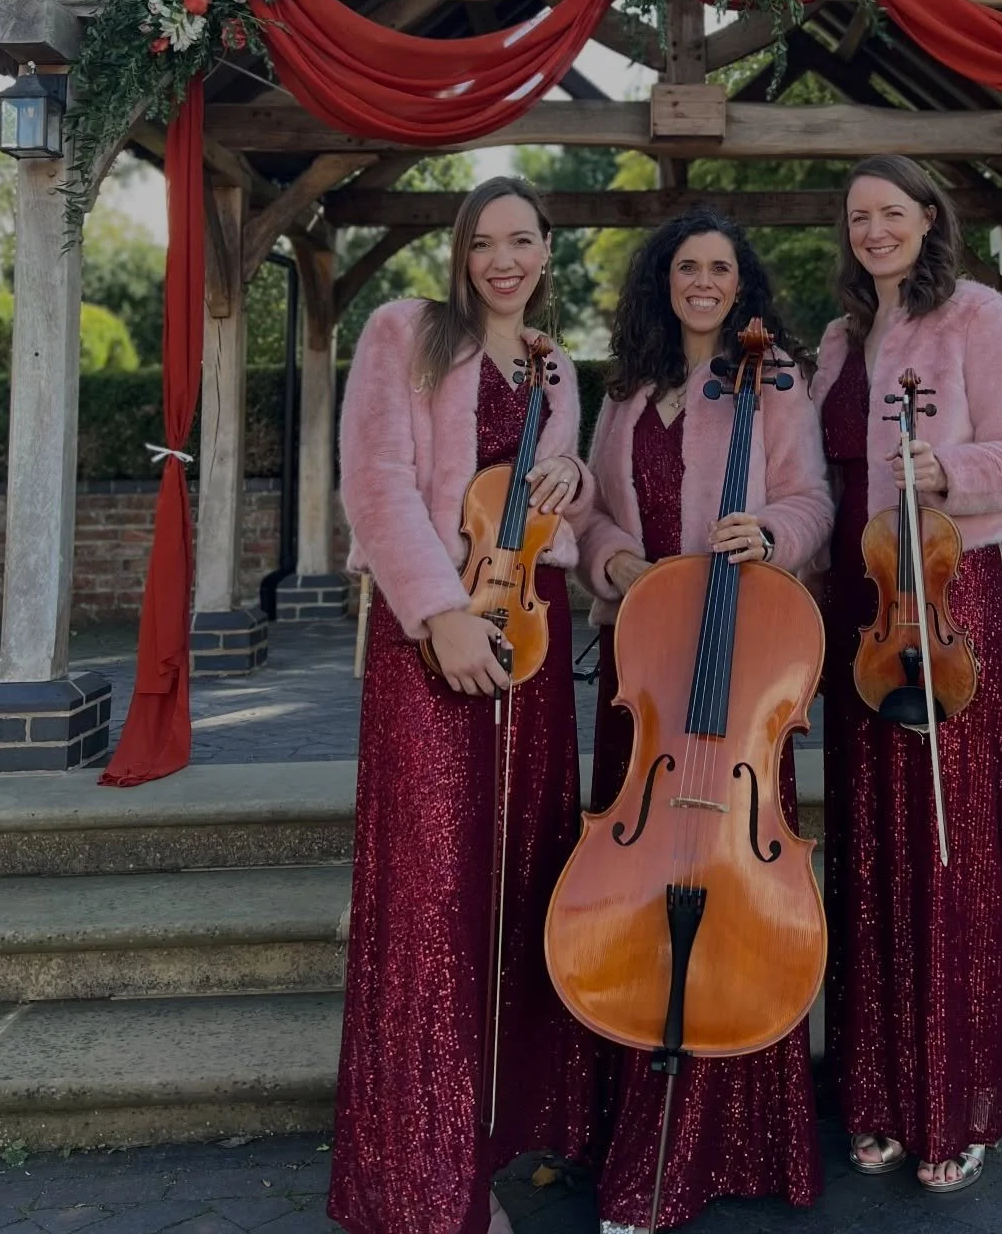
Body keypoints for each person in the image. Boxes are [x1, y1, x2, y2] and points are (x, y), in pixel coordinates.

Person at [329, 177, 598, 1234]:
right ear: (457, 251)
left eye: (521, 240)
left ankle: (485, 1148)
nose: (502, 260)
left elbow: (547, 507)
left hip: (532, 633)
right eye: (483, 242)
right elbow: (375, 482)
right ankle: (422, 1182)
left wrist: (569, 475)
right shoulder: (404, 332)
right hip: (433, 637)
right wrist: (438, 613)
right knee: (432, 904)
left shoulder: (557, 364)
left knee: (513, 891)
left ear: (546, 250)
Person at [578, 209, 833, 1234]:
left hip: (737, 699)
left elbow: (814, 497)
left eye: (721, 268)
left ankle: (731, 1141)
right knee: (630, 889)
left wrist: (767, 531)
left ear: (743, 285)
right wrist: (619, 566)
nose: (703, 281)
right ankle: (630, 1128)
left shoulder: (775, 381)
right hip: (647, 686)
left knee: (733, 894)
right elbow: (592, 510)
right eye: (687, 266)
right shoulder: (627, 391)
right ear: (663, 280)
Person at [815, 155, 1002, 1196]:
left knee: (948, 854)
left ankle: (955, 1099)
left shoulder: (979, 316)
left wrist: (948, 469)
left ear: (927, 217)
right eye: (858, 217)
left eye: (891, 213)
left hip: (948, 604)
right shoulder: (836, 342)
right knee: (872, 858)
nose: (874, 230)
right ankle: (874, 1092)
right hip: (861, 614)